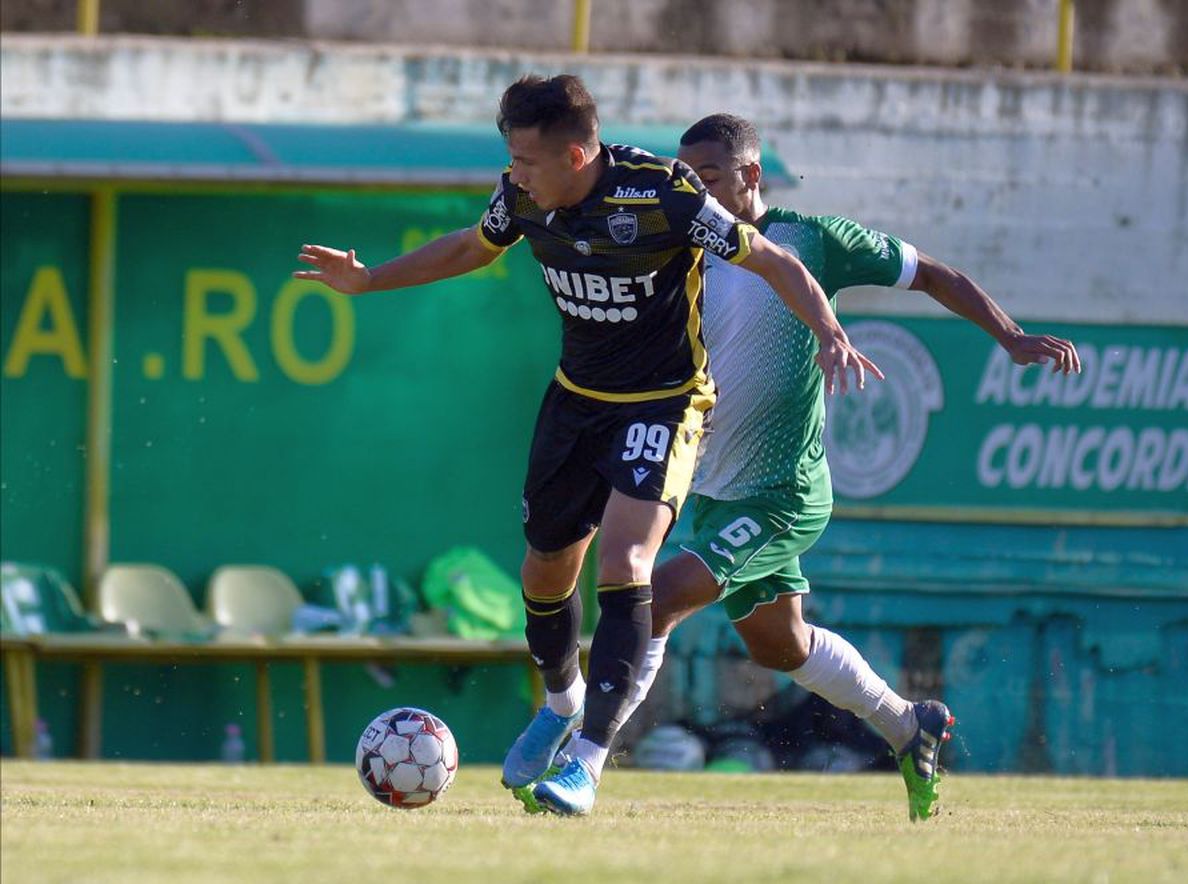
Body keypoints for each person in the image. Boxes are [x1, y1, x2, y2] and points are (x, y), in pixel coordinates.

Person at [294, 77, 882, 816]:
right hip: (577, 400)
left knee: (626, 562)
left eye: (528, 160)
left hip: (665, 402)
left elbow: (770, 259)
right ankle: (561, 700)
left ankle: (588, 764)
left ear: (577, 153)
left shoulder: (659, 195)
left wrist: (829, 330)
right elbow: (474, 248)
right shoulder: (524, 196)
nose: (515, 174)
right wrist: (371, 279)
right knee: (543, 572)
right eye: (509, 159)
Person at [586, 113, 1082, 821]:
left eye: (712, 177)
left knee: (655, 597)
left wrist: (1009, 336)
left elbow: (931, 272)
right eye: (687, 177)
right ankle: (910, 725)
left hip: (783, 494)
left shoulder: (812, 241)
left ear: (751, 176)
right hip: (716, 493)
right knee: (781, 647)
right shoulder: (685, 248)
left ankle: (582, 757)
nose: (695, 189)